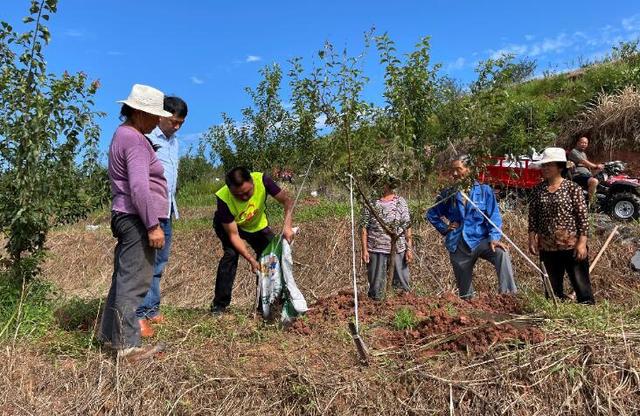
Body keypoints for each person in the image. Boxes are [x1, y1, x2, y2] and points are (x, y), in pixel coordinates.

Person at [100, 84, 172, 361]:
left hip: (127, 216)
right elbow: (140, 187)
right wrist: (152, 225)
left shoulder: (124, 135)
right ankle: (127, 347)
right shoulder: (134, 140)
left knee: (123, 279)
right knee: (134, 282)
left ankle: (111, 337)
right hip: (136, 219)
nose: (157, 121)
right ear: (139, 112)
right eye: (154, 115)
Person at [426, 156, 517, 299]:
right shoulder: (448, 194)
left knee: (501, 253)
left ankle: (508, 297)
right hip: (458, 242)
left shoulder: (484, 190)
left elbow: (494, 216)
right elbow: (431, 213)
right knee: (465, 291)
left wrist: (494, 238)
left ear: (469, 170)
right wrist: (445, 228)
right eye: (452, 171)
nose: (455, 174)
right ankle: (470, 308)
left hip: (481, 239)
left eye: (458, 169)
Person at [136, 96, 188, 338]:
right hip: (149, 211)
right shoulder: (146, 138)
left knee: (158, 264)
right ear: (160, 115)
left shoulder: (174, 142)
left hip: (167, 210)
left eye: (181, 123)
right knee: (143, 264)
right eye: (173, 121)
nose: (176, 126)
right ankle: (137, 315)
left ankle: (151, 309)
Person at [211, 167, 294, 315]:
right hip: (231, 228)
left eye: (247, 192)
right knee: (230, 255)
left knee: (270, 256)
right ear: (229, 190)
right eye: (238, 195)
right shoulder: (224, 199)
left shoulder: (263, 181)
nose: (243, 198)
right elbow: (234, 235)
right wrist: (250, 259)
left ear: (252, 182)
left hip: (256, 224)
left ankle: (266, 305)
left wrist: (287, 226)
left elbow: (287, 201)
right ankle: (219, 305)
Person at [528, 147, 595, 304]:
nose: (545, 168)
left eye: (549, 165)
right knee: (551, 288)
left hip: (571, 245)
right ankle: (554, 314)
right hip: (547, 246)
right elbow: (533, 216)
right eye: (543, 165)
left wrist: (582, 243)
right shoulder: (538, 190)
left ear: (560, 167)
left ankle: (587, 313)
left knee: (581, 285)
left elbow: (583, 218)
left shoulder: (572, 188)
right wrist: (531, 238)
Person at [361, 175, 413, 300]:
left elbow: (407, 225)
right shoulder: (371, 202)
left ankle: (402, 307)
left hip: (398, 248)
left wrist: (409, 248)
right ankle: (377, 305)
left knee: (402, 285)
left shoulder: (400, 202)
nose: (379, 184)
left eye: (382, 182)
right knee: (376, 287)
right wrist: (364, 250)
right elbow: (363, 227)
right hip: (376, 247)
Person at [568, 136, 603, 203]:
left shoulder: (583, 153)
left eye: (586, 143)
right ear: (578, 143)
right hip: (577, 175)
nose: (584, 144)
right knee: (594, 181)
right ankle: (591, 204)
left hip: (586, 175)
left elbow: (585, 165)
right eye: (582, 142)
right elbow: (583, 161)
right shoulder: (574, 152)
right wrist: (595, 166)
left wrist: (597, 170)